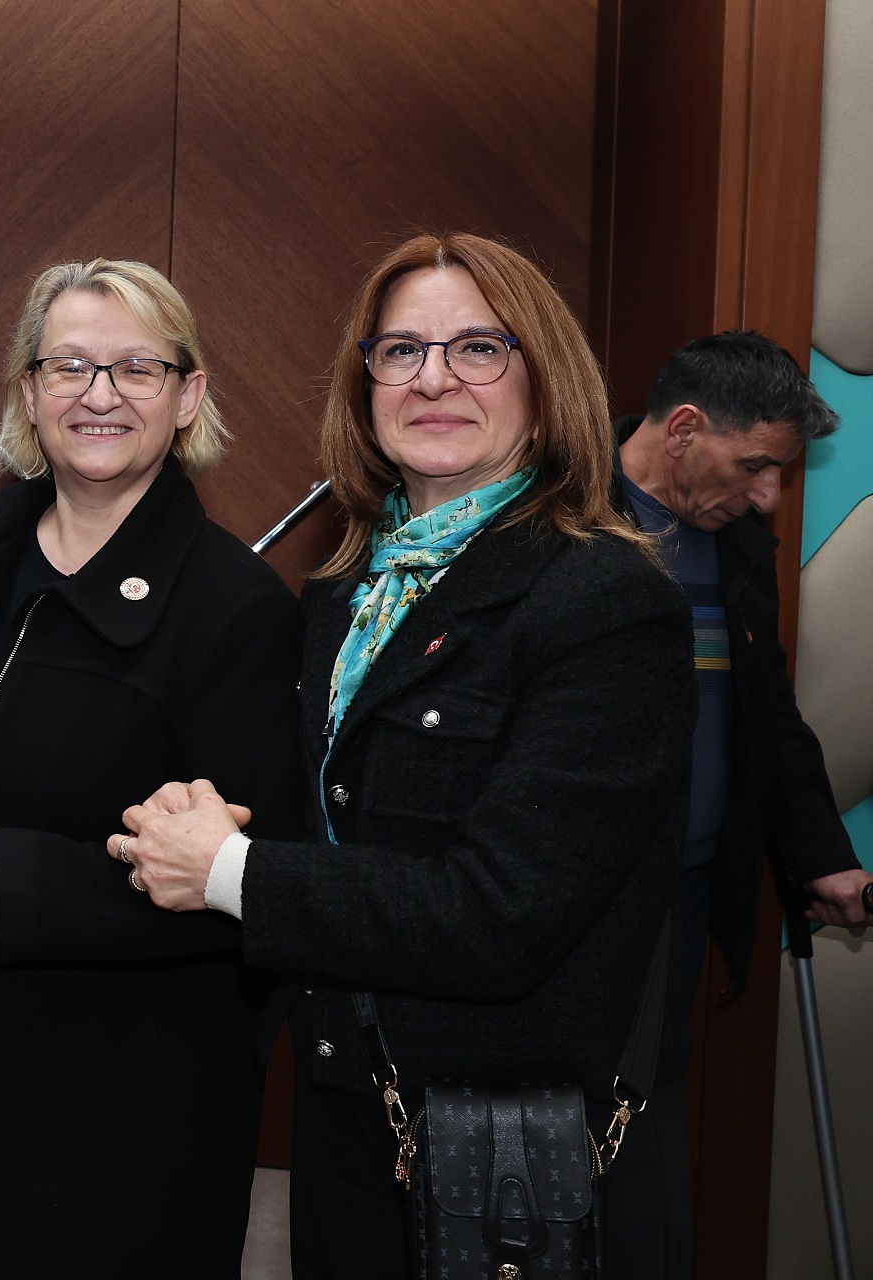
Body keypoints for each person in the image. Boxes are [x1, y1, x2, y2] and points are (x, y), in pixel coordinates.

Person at [118, 232, 696, 1276]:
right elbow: (338, 821)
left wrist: (230, 871)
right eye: (401, 351)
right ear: (366, 385)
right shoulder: (349, 592)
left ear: (544, 386)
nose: (433, 379)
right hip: (348, 1109)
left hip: (505, 1150)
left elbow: (500, 912)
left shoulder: (605, 601)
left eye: (478, 348)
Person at [0, 259, 304, 1280]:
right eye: (71, 366)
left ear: (189, 395)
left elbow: (254, 885)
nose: (99, 394)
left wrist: (12, 882)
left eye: (137, 368)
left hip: (121, 1112)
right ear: (30, 389)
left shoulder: (239, 610)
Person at [610, 330, 872, 1275]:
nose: (769, 496)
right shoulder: (561, 514)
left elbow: (768, 713)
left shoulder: (737, 543)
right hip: (579, 895)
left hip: (684, 893)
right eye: (756, 466)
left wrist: (821, 858)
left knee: (649, 1121)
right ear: (683, 429)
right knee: (576, 1128)